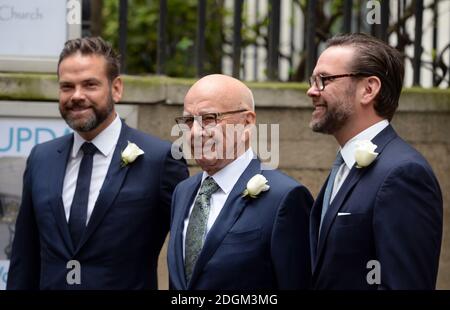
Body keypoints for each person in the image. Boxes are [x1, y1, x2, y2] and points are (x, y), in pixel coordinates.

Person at [7, 37, 189, 289]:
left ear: (116, 88)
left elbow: (186, 255)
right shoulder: (41, 158)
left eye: (90, 84)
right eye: (67, 87)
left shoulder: (160, 160)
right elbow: (24, 257)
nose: (76, 96)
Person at [307, 33, 443, 289]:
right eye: (313, 80)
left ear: (368, 89)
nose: (311, 90)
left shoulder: (404, 174)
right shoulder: (344, 168)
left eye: (323, 80)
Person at [167, 74, 313, 289]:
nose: (195, 133)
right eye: (189, 121)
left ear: (247, 122)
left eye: (209, 118)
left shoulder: (284, 196)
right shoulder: (184, 191)